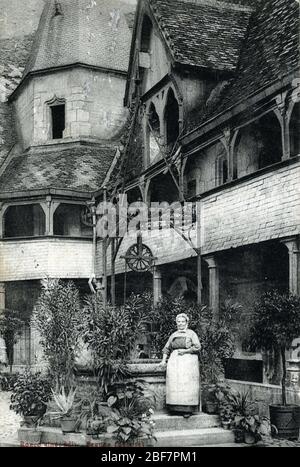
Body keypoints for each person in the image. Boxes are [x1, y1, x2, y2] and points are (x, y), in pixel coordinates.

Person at [159, 313, 201, 417]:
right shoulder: (173, 335)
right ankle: (174, 408)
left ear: (187, 322)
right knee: (174, 383)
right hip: (174, 362)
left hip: (188, 362)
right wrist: (164, 361)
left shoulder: (191, 334)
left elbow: (197, 347)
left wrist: (185, 351)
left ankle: (187, 409)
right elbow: (167, 348)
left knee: (187, 384)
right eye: (179, 322)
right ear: (176, 323)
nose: (181, 324)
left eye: (183, 321)